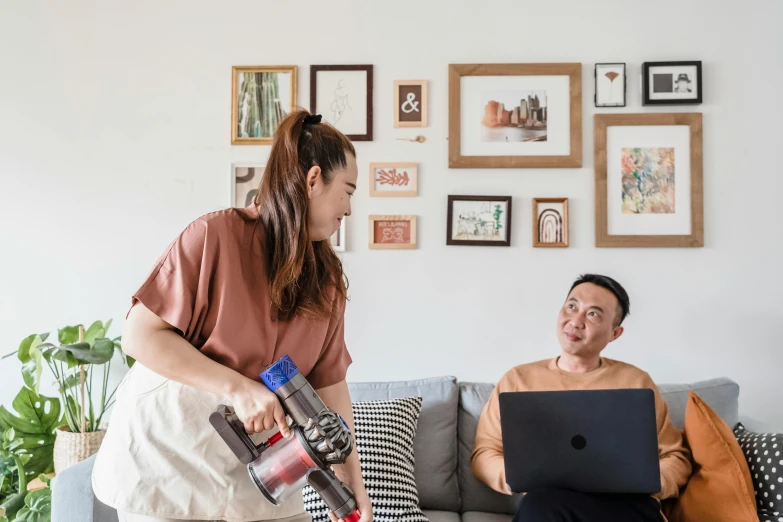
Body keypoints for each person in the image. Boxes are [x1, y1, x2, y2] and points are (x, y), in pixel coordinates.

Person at [91, 109, 372, 522]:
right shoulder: (214, 237)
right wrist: (239, 389)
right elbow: (140, 336)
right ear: (313, 180)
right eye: (347, 191)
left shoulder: (327, 281)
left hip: (264, 466)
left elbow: (330, 388)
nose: (349, 207)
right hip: (169, 455)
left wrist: (352, 483)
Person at [471, 274, 691, 522]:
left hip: (626, 506)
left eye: (593, 314)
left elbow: (675, 457)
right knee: (539, 504)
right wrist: (522, 478)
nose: (575, 321)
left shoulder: (637, 382)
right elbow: (484, 454)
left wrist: (650, 482)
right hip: (549, 502)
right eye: (572, 307)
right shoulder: (517, 380)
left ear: (614, 333)